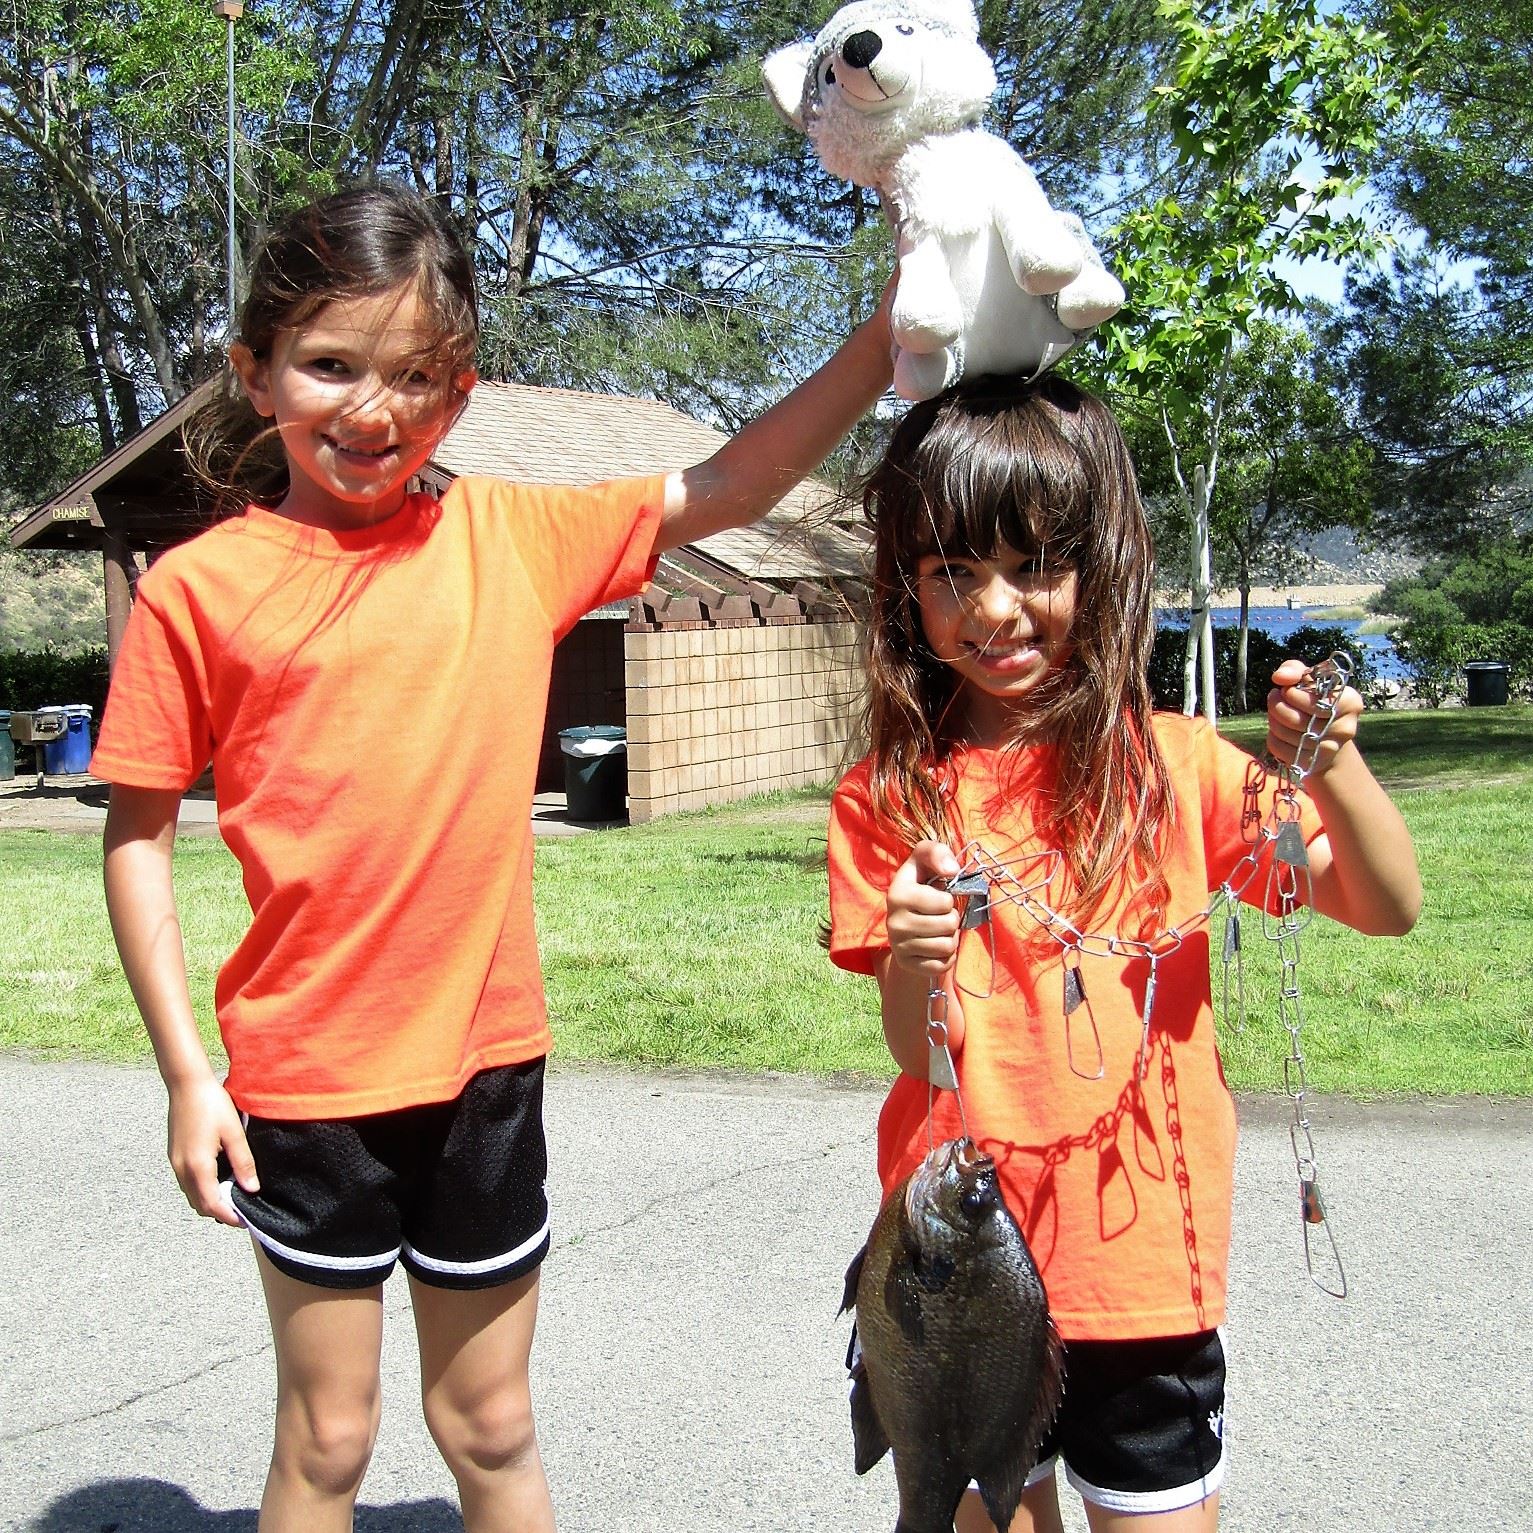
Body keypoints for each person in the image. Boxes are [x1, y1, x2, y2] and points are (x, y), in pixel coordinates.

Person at [96, 182, 893, 1533]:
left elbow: (736, 483)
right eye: (330, 365)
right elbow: (138, 840)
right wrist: (186, 1075)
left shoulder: (512, 540)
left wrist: (883, 334)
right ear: (255, 371)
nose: (373, 410)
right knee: (328, 1440)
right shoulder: (195, 591)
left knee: (493, 1424)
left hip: (483, 1073)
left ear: (459, 393)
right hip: (304, 1088)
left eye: (416, 376)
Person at [825, 373, 1421, 1533]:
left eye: (1035, 564)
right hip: (951, 1273)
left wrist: (1333, 765)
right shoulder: (885, 797)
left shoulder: (1180, 768)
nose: (996, 609)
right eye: (953, 573)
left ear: (1099, 567)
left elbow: (1383, 901)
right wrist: (914, 953)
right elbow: (920, 1051)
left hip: (1139, 1272)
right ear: (907, 588)